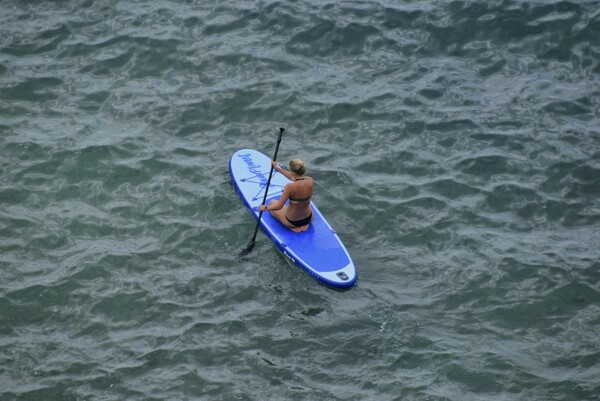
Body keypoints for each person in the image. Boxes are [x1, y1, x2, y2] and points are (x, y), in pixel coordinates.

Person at [259, 159, 314, 233]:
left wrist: (265, 208)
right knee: (303, 203)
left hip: (292, 222)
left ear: (292, 172)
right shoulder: (310, 180)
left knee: (272, 202)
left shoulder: (289, 187)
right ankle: (305, 225)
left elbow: (278, 206)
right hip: (309, 218)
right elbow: (293, 177)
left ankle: (294, 228)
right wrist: (278, 169)